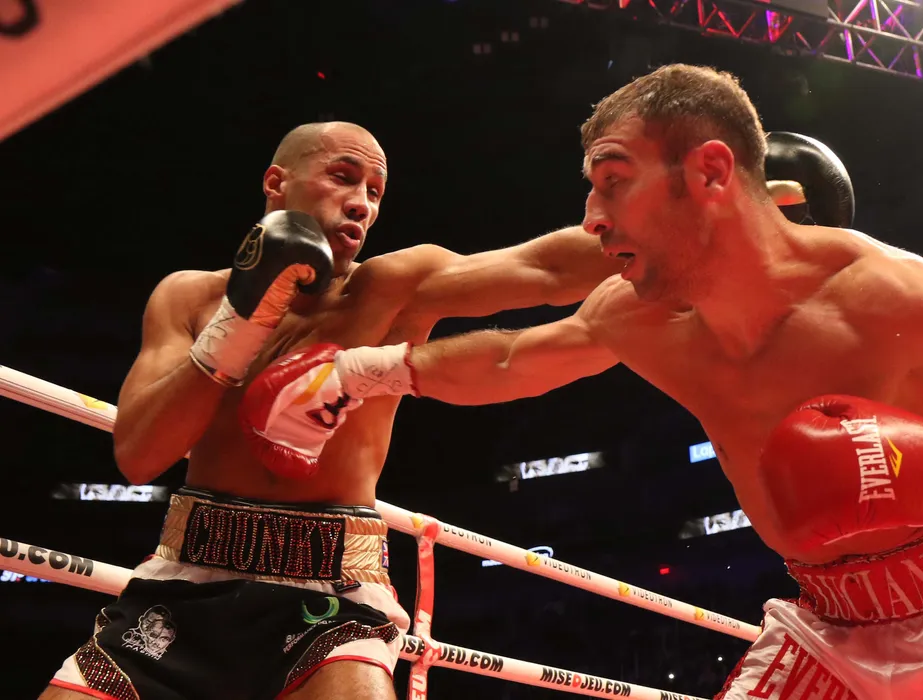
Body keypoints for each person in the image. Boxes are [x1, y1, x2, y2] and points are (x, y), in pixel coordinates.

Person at [262, 67, 923, 698]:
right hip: (832, 631)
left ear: (710, 171)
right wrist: (362, 372)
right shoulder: (637, 316)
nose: (592, 216)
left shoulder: (882, 297)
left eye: (613, 181)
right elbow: (511, 360)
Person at [41, 120, 631, 700]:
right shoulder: (189, 297)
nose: (361, 204)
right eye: (343, 177)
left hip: (331, 591)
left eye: (374, 192)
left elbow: (549, 269)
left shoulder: (393, 287)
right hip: (186, 578)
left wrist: (666, 219)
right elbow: (140, 455)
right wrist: (238, 322)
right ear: (277, 182)